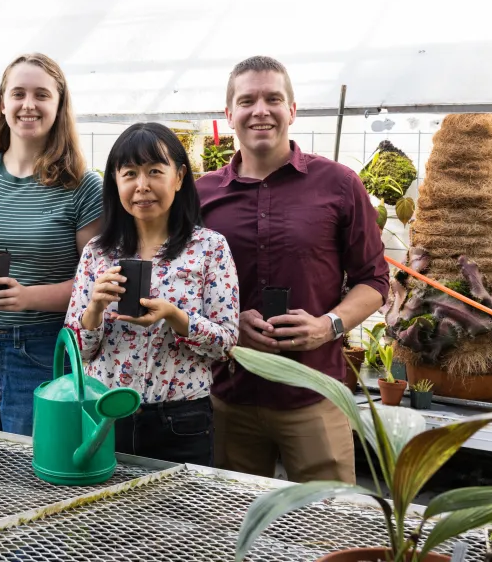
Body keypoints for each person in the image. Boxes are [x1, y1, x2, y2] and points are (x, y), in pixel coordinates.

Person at [196, 56, 389, 483]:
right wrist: (226, 326)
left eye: (273, 98)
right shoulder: (200, 196)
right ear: (229, 114)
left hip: (315, 393)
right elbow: (181, 287)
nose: (260, 110)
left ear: (292, 110)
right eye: (247, 100)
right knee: (233, 526)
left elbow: (373, 281)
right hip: (230, 396)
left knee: (327, 527)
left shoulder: (338, 184)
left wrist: (329, 325)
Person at [0, 53, 103, 435]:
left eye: (42, 95)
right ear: (2, 103)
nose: (28, 105)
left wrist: (27, 298)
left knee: (31, 482)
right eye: (18, 93)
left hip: (42, 350)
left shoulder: (82, 186)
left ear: (59, 104)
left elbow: (93, 287)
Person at [65, 123, 239, 466]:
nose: (142, 186)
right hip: (104, 414)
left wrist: (175, 316)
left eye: (155, 171)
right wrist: (95, 308)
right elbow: (78, 349)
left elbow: (226, 344)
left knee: (180, 518)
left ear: (179, 177)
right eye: (129, 173)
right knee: (104, 517)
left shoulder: (209, 248)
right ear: (115, 182)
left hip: (181, 419)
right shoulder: (98, 252)